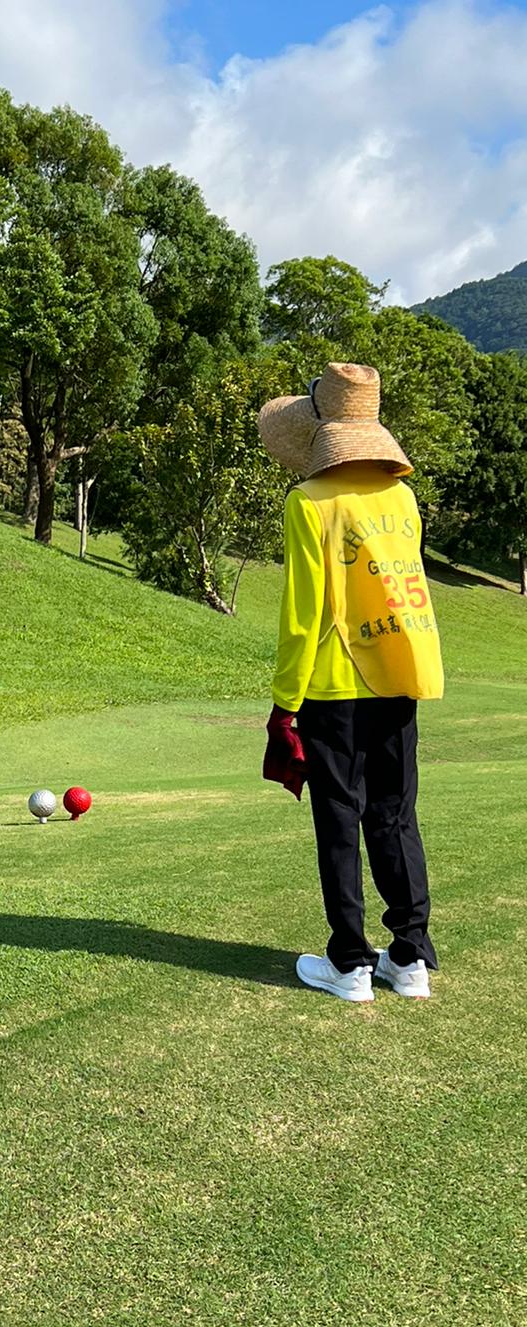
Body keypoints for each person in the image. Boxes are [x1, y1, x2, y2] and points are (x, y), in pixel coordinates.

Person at [258, 362, 444, 1002]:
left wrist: (285, 703)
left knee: (340, 819)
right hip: (399, 674)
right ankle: (410, 958)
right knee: (395, 817)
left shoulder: (308, 502)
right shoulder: (402, 497)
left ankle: (350, 965)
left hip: (333, 685)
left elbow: (303, 614)